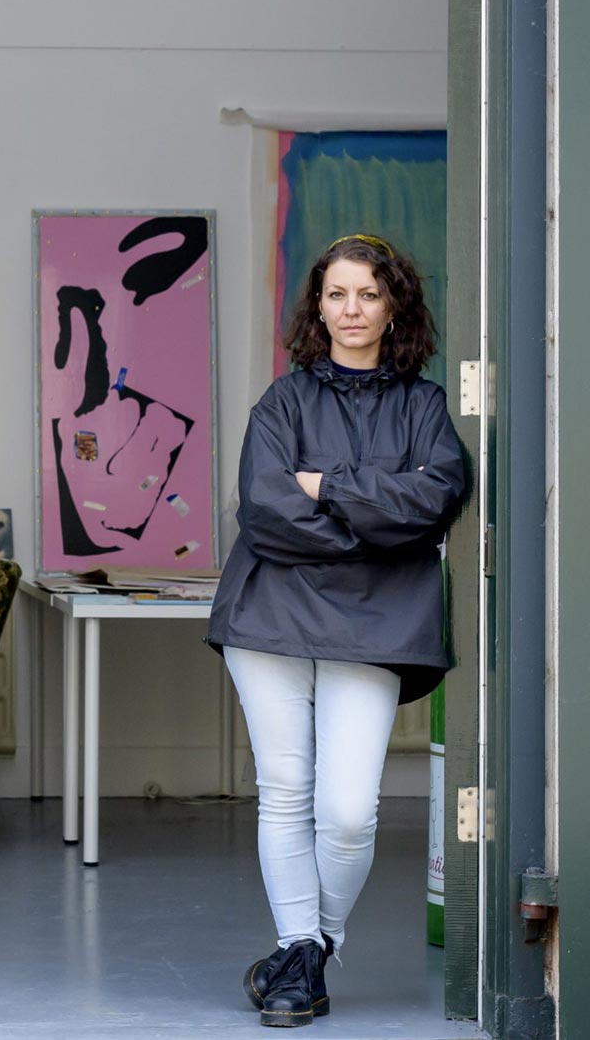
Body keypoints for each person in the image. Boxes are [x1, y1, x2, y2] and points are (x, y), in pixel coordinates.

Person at [206, 233, 467, 1029]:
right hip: (272, 613)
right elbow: (268, 510)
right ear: (317, 306)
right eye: (337, 294)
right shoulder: (282, 404)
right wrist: (376, 525)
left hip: (379, 624)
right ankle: (299, 953)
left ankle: (308, 948)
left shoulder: (424, 407)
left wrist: (331, 487)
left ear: (394, 306)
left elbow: (436, 499)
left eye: (368, 294)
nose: (352, 309)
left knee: (349, 809)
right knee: (286, 792)